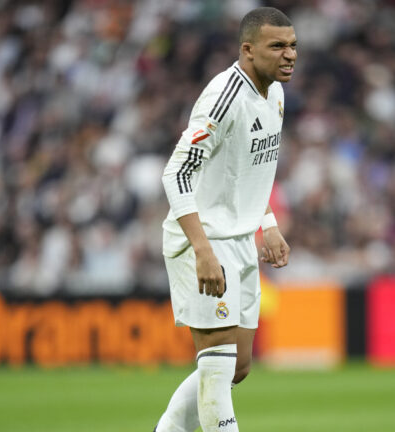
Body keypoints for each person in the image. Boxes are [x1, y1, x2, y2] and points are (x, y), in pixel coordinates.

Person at [154, 7, 296, 432]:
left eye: (292, 45)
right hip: (205, 239)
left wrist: (267, 223)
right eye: (278, 46)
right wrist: (202, 250)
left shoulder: (275, 93)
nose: (289, 55)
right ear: (248, 51)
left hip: (240, 239)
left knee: (238, 367)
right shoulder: (224, 96)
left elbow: (248, 170)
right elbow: (176, 172)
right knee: (216, 373)